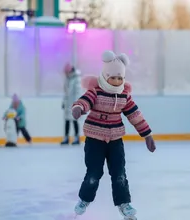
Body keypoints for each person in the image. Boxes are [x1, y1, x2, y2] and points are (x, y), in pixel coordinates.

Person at [71, 51, 156, 220]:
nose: (117, 81)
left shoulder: (124, 95)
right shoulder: (96, 91)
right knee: (94, 173)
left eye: (120, 78)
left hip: (115, 141)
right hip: (95, 140)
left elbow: (135, 115)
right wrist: (79, 108)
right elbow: (85, 100)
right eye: (113, 78)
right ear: (105, 75)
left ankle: (124, 204)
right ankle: (84, 199)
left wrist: (147, 134)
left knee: (119, 174)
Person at [60, 63, 82, 145]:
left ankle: (77, 137)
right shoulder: (67, 79)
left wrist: (77, 104)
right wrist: (63, 102)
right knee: (67, 120)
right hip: (67, 103)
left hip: (74, 103)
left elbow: (78, 92)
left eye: (66, 72)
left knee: (74, 120)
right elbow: (65, 92)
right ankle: (66, 137)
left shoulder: (76, 78)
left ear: (69, 71)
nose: (65, 74)